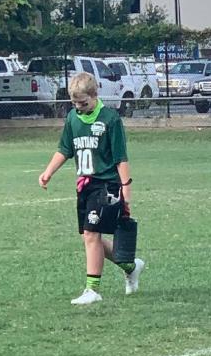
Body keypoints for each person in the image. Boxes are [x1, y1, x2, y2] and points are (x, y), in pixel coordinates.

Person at [38, 72, 144, 306]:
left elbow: (120, 157)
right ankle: (131, 266)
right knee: (89, 236)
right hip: (84, 185)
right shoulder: (73, 119)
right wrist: (48, 172)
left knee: (91, 235)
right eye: (74, 103)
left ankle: (92, 289)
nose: (78, 107)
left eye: (83, 103)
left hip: (106, 185)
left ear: (95, 95)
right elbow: (65, 149)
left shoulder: (110, 119)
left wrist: (126, 188)